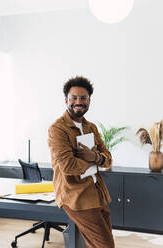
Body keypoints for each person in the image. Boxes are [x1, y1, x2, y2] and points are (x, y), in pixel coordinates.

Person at [48, 76, 115, 248]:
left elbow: (107, 159)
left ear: (89, 101)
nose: (79, 102)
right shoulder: (57, 129)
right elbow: (68, 166)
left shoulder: (91, 127)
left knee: (105, 242)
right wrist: (95, 161)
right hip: (76, 195)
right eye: (74, 98)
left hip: (97, 191)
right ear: (66, 100)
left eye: (83, 98)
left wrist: (95, 158)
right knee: (105, 245)